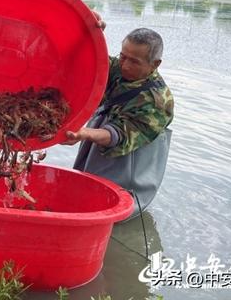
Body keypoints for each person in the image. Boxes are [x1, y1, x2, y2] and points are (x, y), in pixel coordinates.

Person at [63, 27, 174, 218]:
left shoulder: (158, 102)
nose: (125, 66)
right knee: (81, 197)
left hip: (127, 166)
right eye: (123, 56)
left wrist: (85, 133)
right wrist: (88, 30)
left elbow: (119, 135)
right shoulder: (117, 69)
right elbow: (85, 58)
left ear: (155, 64)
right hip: (96, 148)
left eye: (134, 61)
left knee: (113, 210)